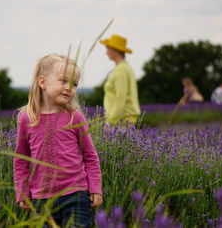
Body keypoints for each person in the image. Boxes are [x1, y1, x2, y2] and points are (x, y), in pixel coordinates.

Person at [13, 54, 102, 228]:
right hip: (40, 200)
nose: (69, 88)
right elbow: (21, 159)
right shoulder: (27, 119)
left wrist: (95, 188)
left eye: (74, 84)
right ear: (42, 82)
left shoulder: (74, 117)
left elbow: (90, 156)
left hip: (75, 195)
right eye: (63, 81)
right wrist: (22, 191)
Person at [99, 34, 141, 125]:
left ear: (115, 50)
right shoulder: (126, 67)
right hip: (125, 118)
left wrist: (111, 122)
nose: (106, 53)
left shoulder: (120, 70)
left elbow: (120, 98)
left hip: (121, 120)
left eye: (108, 49)